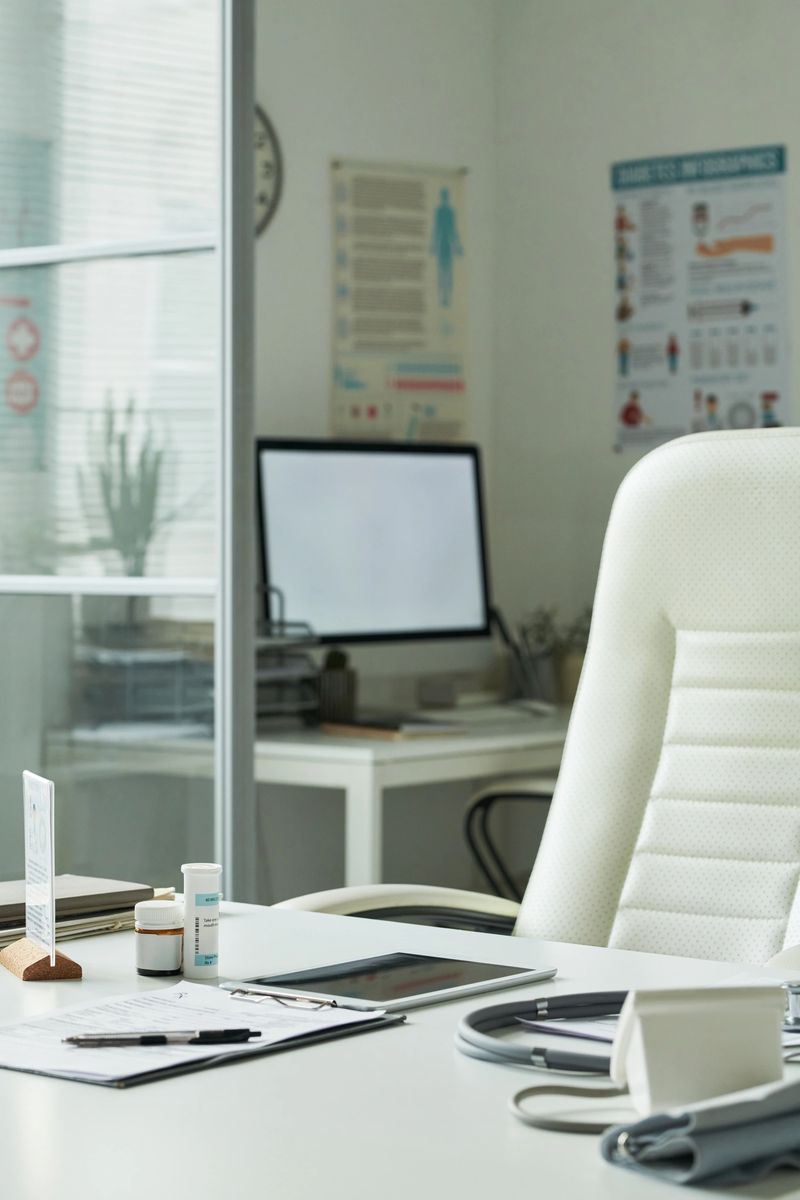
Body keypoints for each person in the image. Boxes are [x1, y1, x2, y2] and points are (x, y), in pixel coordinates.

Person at [429, 187, 463, 307]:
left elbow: (453, 230)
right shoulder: (440, 211)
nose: (445, 199)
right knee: (442, 271)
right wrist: (433, 245)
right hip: (442, 243)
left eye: (445, 197)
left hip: (447, 243)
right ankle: (443, 297)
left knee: (447, 271)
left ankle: (447, 297)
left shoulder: (448, 212)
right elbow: (436, 229)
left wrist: (458, 245)